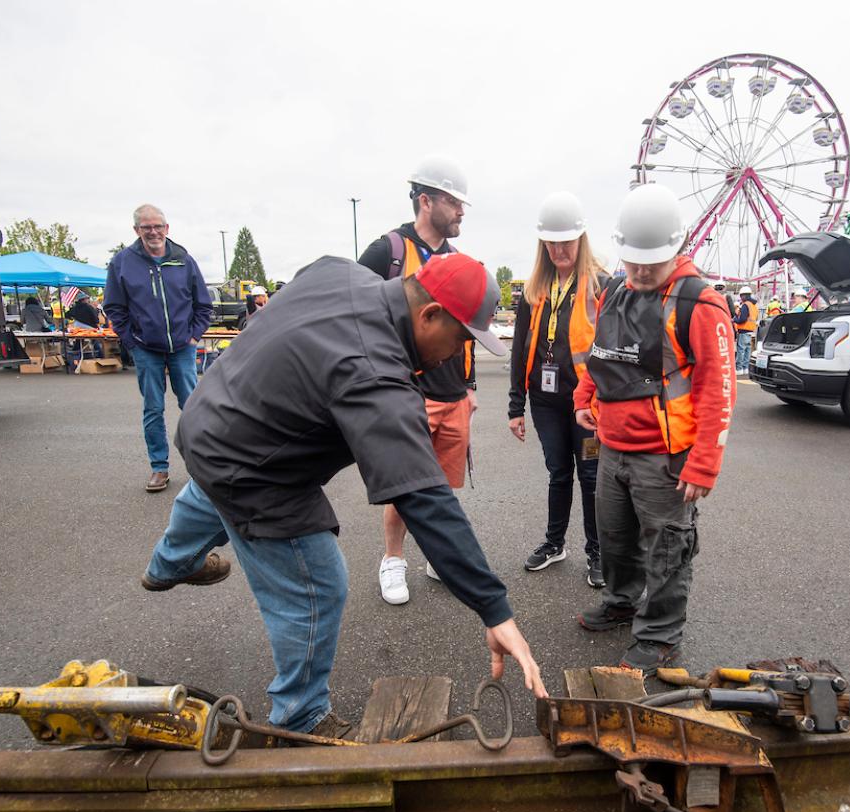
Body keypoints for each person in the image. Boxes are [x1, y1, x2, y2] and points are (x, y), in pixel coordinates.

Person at [140, 252, 547, 737]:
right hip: (252, 468)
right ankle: (300, 715)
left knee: (211, 488)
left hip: (211, 418)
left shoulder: (341, 272)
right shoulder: (374, 372)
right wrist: (494, 608)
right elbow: (424, 498)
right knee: (320, 583)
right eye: (460, 338)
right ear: (429, 314)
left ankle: (169, 563)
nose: (457, 354)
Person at [573, 184, 736, 674]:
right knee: (615, 538)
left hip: (665, 458)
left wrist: (704, 464)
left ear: (678, 248)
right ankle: (623, 600)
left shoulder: (700, 305)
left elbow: (719, 390)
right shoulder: (614, 292)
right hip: (612, 447)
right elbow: (601, 356)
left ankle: (661, 635)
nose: (640, 271)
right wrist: (585, 398)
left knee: (667, 549)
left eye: (652, 262)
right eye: (632, 261)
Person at [358, 156, 477, 605]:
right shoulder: (386, 252)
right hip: (407, 395)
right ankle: (393, 560)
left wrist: (470, 388)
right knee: (404, 486)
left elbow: (465, 332)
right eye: (454, 202)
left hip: (454, 395)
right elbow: (360, 319)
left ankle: (437, 555)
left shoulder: (459, 261)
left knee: (444, 487)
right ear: (425, 201)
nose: (462, 211)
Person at [507, 192, 604, 587]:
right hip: (546, 403)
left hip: (589, 406)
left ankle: (598, 553)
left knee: (593, 476)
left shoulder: (602, 285)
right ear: (542, 243)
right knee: (559, 472)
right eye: (552, 241)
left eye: (567, 240)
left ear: (581, 240)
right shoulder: (535, 290)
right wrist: (516, 405)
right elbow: (519, 349)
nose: (560, 249)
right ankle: (555, 542)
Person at [104, 204, 212, 493]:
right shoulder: (122, 263)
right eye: (146, 227)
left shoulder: (183, 260)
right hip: (145, 348)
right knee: (153, 408)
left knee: (191, 407)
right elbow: (114, 307)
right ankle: (159, 468)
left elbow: (203, 304)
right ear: (136, 230)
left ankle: (202, 467)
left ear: (167, 228)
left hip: (182, 347)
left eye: (157, 226)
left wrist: (193, 336)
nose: (153, 232)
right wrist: (131, 341)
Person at [733, 285, 759, 375]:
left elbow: (742, 319)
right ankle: (746, 368)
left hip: (743, 331)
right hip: (751, 331)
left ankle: (739, 369)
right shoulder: (754, 305)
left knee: (741, 350)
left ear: (743, 296)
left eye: (741, 296)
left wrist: (734, 320)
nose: (740, 298)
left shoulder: (745, 305)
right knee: (748, 351)